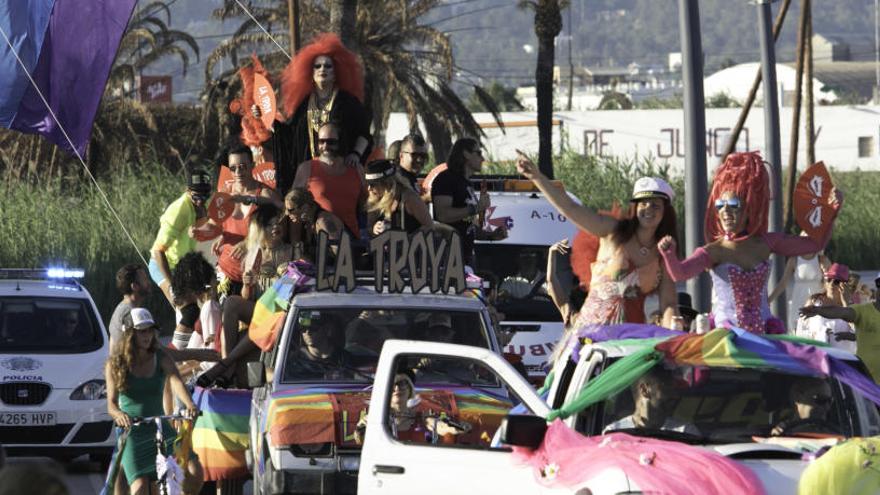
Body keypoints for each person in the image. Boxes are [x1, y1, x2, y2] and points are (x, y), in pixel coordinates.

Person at [658, 152, 843, 335]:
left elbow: (814, 245)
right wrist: (669, 254)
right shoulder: (714, 251)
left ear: (749, 207)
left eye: (733, 204)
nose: (725, 211)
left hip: (764, 332)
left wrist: (832, 213)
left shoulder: (766, 242)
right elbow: (680, 274)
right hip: (726, 335)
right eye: (720, 205)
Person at [516, 155, 680, 328]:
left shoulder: (664, 253)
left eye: (655, 205)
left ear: (665, 212)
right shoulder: (612, 231)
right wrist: (537, 178)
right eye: (643, 204)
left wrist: (674, 327)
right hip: (591, 335)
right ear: (635, 207)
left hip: (632, 339)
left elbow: (669, 303)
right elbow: (570, 208)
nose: (648, 209)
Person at [105, 308, 202, 495]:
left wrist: (190, 405)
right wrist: (119, 415)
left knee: (194, 471)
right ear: (129, 333)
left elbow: (176, 381)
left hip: (160, 427)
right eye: (142, 330)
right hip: (132, 432)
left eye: (150, 330)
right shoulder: (115, 364)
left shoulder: (161, 357)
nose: (147, 335)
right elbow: (111, 404)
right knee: (140, 487)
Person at [268, 33, 372, 195]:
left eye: (328, 66)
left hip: (341, 171)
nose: (322, 69)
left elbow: (364, 133)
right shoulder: (303, 104)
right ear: (310, 72)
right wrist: (267, 117)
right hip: (311, 175)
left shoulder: (348, 102)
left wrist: (355, 154)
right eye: (318, 66)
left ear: (337, 71)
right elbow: (290, 138)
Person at [214, 145, 282, 294]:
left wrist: (249, 242)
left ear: (252, 165)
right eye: (233, 168)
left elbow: (282, 219)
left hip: (255, 277)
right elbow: (217, 225)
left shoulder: (264, 194)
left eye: (242, 166)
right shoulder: (224, 194)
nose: (238, 172)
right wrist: (220, 236)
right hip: (227, 273)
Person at [800, 273, 880, 380]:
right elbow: (841, 312)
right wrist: (818, 310)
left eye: (836, 282)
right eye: (879, 284)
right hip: (866, 383)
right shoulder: (864, 310)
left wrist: (852, 336)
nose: (832, 284)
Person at [292, 122, 366, 239]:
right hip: (318, 241)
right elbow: (293, 205)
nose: (325, 146)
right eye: (321, 141)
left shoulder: (356, 169)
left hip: (351, 240)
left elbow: (367, 205)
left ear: (340, 142)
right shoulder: (307, 168)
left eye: (331, 142)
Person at [150, 169, 212, 306]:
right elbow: (157, 251)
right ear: (187, 190)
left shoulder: (202, 207)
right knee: (182, 305)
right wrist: (174, 286)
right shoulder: (179, 211)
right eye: (197, 197)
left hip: (186, 266)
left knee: (202, 305)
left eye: (205, 196)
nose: (201, 202)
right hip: (165, 265)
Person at [355, 371, 467, 445]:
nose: (397, 388)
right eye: (393, 384)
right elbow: (360, 438)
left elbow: (438, 425)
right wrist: (366, 428)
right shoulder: (374, 418)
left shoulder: (420, 417)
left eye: (402, 383)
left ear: (410, 390)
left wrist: (453, 428)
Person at [431, 138, 493, 266]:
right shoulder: (446, 179)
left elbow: (466, 224)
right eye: (479, 153)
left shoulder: (465, 182)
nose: (482, 159)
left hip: (465, 256)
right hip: (448, 257)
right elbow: (443, 215)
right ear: (466, 154)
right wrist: (476, 208)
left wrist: (490, 236)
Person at [603, 369, 699, 435]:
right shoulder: (614, 433)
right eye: (666, 387)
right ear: (644, 390)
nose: (674, 395)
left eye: (674, 388)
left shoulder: (686, 432)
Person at [768, 231, 829, 327]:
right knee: (798, 333)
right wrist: (769, 300)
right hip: (799, 303)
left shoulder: (822, 259)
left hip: (817, 304)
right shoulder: (794, 260)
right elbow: (783, 284)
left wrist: (826, 276)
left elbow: (832, 282)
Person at [365, 159, 433, 236]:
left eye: (373, 184)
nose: (369, 188)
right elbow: (369, 227)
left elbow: (429, 226)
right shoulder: (375, 197)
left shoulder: (408, 198)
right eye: (368, 184)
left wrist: (407, 240)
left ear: (386, 183)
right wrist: (374, 228)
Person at [284, 311, 353, 380]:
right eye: (303, 329)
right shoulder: (294, 362)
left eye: (313, 328)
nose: (307, 333)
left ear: (327, 330)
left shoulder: (344, 358)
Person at [284, 187, 346, 261]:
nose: (287, 213)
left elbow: (342, 254)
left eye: (290, 210)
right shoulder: (310, 222)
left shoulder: (324, 221)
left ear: (305, 208)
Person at [770, 377, 837, 436]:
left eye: (830, 401)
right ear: (798, 398)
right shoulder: (781, 431)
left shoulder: (836, 435)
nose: (827, 407)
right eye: (821, 400)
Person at [108, 264, 152, 351]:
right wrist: (186, 354)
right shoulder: (131, 314)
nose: (148, 282)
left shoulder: (123, 308)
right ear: (134, 286)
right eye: (145, 279)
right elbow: (151, 350)